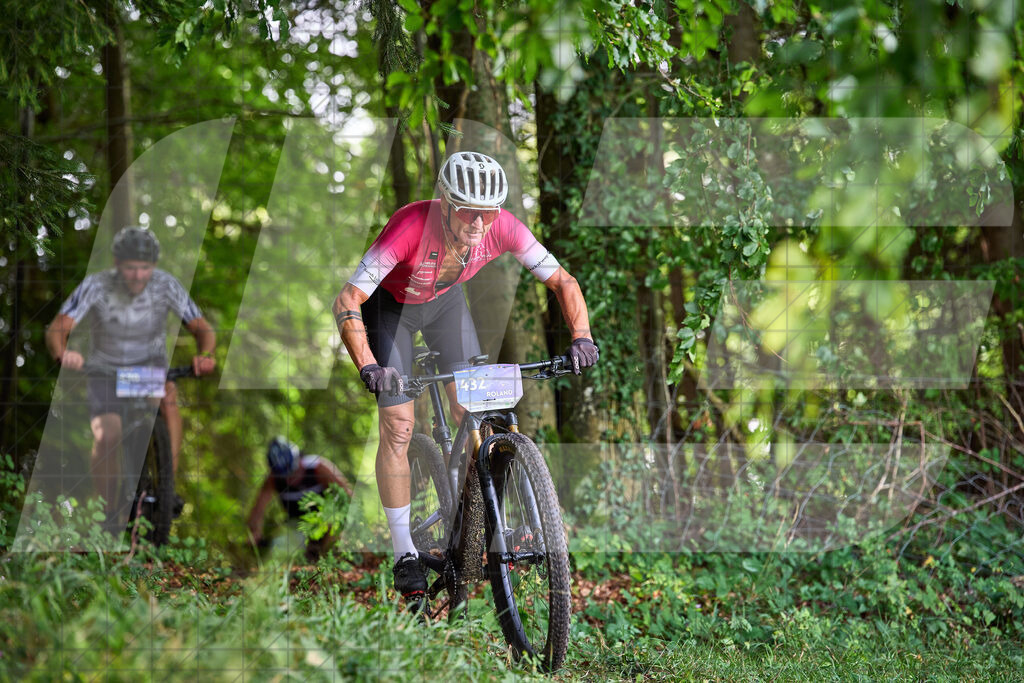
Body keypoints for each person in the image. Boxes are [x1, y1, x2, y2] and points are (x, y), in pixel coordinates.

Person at [332, 151, 598, 609]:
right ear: (445, 202)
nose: (480, 223)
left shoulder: (506, 227)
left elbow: (564, 282)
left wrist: (582, 336)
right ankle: (404, 553)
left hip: (445, 306)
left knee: (474, 407)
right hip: (390, 308)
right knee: (399, 424)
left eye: (488, 212)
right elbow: (349, 299)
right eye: (468, 211)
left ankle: (471, 504)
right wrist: (369, 365)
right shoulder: (410, 226)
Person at [45, 226, 216, 524]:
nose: (138, 275)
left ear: (155, 265)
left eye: (145, 268)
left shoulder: (166, 285)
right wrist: (63, 352)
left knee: (167, 396)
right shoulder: (97, 285)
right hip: (105, 371)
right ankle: (108, 510)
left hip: (146, 368)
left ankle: (167, 484)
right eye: (130, 268)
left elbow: (202, 328)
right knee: (107, 433)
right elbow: (58, 327)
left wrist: (205, 355)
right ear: (116, 263)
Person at [247, 437, 354, 561]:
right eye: (284, 476)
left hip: (326, 522)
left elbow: (347, 495)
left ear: (299, 460)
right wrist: (254, 532)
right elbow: (258, 510)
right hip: (297, 527)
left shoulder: (318, 467)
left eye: (292, 473)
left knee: (335, 533)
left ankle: (329, 561)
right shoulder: (273, 479)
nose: (288, 479)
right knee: (279, 547)